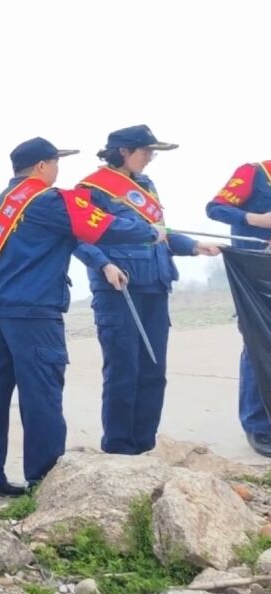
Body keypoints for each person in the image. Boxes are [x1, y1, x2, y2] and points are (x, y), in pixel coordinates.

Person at [0, 138, 163, 496]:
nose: (58, 171)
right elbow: (101, 225)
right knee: (41, 394)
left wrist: (102, 263)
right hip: (33, 314)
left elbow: (70, 240)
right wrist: (150, 232)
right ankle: (45, 479)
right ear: (42, 166)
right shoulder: (48, 200)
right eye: (55, 163)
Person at [72, 126, 221, 455]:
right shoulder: (92, 189)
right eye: (146, 151)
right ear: (124, 151)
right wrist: (103, 265)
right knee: (124, 371)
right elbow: (78, 236)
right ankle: (119, 449)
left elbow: (160, 234)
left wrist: (195, 246)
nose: (151, 157)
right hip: (119, 289)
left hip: (155, 285)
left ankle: (144, 446)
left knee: (153, 371)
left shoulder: (146, 186)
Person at [206, 160, 271, 456]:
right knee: (258, 346)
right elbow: (216, 208)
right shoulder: (256, 172)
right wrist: (258, 220)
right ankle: (258, 426)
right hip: (258, 274)